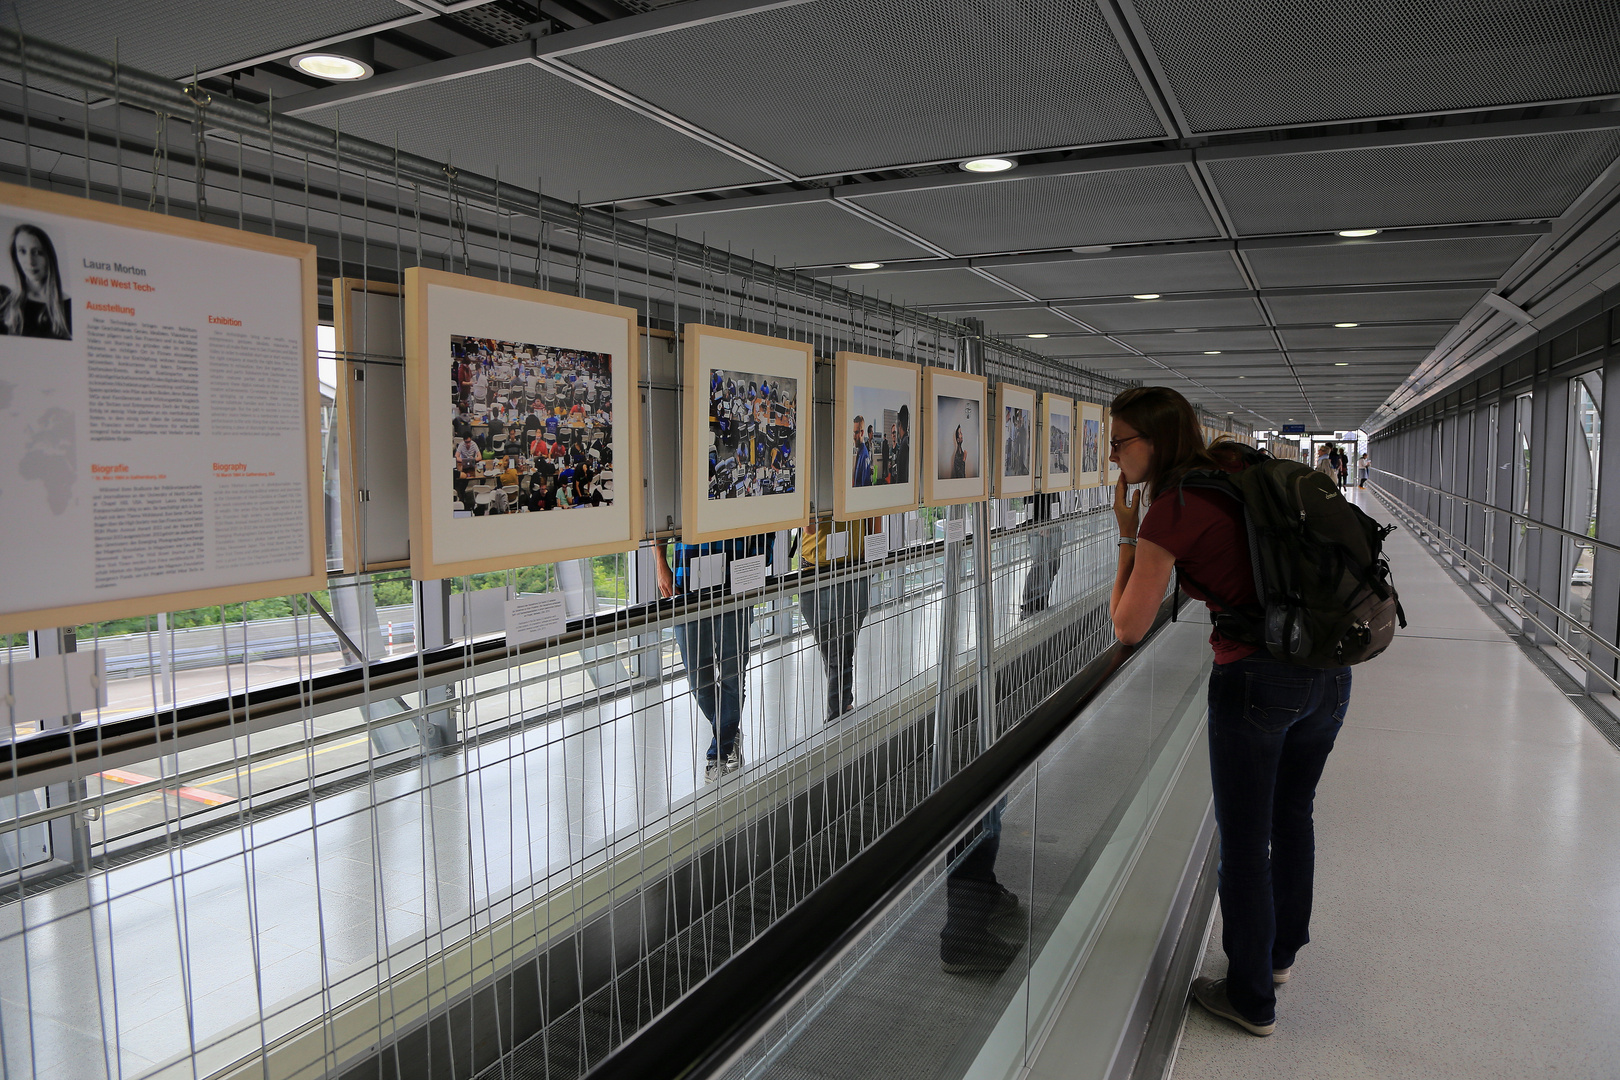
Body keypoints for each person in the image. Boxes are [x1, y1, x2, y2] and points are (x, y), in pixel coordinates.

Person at [1107, 386, 1351, 1038]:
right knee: (1292, 815)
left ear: (1153, 442)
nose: (1112, 457)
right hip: (1329, 671)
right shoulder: (1239, 469)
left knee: (1243, 840)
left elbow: (1128, 625)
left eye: (1119, 442)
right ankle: (1277, 957)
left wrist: (1127, 538)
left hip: (1256, 679)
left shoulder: (1171, 508)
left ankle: (1249, 999)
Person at [656, 534, 773, 784]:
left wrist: (758, 563)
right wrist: (660, 564)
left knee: (734, 676)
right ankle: (729, 730)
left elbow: (768, 523)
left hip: (736, 585)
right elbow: (659, 523)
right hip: (686, 586)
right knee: (699, 681)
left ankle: (717, 755)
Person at [800, 518, 871, 722]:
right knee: (832, 653)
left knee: (839, 655)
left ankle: (835, 719)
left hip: (853, 567)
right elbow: (810, 527)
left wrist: (873, 549)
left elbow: (875, 512)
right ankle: (845, 703)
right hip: (815, 570)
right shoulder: (815, 489)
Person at [1, 224, 71, 339]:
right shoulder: (5, 301)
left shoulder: (68, 305)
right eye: (22, 251)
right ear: (15, 255)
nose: (30, 261)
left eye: (38, 252)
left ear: (49, 257)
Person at [851, 415, 872, 487]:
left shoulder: (864, 456)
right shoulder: (860, 453)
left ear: (862, 433)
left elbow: (865, 487)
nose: (854, 436)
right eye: (853, 432)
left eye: (856, 432)